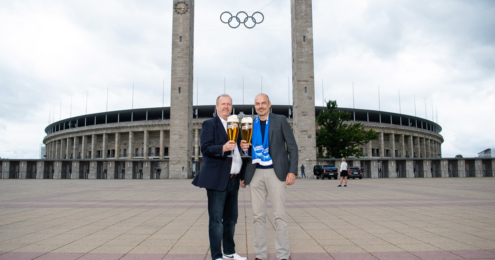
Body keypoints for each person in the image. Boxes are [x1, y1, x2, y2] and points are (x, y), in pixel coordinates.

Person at [240, 93, 298, 260]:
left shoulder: (280, 120)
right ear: (254, 106)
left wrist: (292, 171)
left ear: (269, 104)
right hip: (255, 172)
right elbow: (245, 151)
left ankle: (283, 255)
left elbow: (292, 147)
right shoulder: (250, 123)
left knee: (279, 215)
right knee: (257, 216)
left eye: (263, 103)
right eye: (257, 103)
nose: (260, 106)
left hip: (276, 172)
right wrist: (244, 174)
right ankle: (260, 255)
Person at [192, 94, 247, 260]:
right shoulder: (209, 124)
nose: (226, 107)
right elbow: (206, 148)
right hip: (217, 180)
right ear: (216, 107)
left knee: (231, 219)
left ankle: (229, 252)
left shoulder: (235, 126)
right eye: (223, 104)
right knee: (216, 221)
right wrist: (222, 148)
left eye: (229, 104)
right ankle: (216, 256)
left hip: (234, 179)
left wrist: (243, 174)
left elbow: (239, 154)